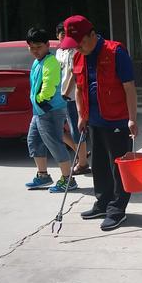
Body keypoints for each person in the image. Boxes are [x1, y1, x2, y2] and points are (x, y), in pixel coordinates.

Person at [60, 15, 138, 231]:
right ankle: (102, 203)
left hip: (117, 120)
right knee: (100, 165)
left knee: (118, 167)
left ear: (93, 35)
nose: (79, 48)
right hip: (93, 120)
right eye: (75, 45)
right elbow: (78, 88)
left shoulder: (115, 53)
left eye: (81, 43)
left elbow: (129, 87)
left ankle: (117, 210)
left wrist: (132, 118)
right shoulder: (78, 57)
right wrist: (81, 116)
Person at [24, 27, 77, 193]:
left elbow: (49, 86)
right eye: (31, 47)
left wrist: (39, 99)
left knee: (54, 143)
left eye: (38, 47)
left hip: (50, 109)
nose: (35, 51)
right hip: (39, 111)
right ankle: (43, 175)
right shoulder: (37, 62)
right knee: (34, 141)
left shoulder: (50, 62)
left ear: (47, 45)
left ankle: (68, 180)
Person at [55, 22, 91, 175]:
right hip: (60, 97)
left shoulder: (74, 52)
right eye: (60, 33)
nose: (63, 36)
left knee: (77, 129)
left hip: (71, 97)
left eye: (66, 34)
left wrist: (65, 93)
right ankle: (80, 154)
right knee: (58, 130)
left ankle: (82, 163)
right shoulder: (59, 52)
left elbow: (73, 74)